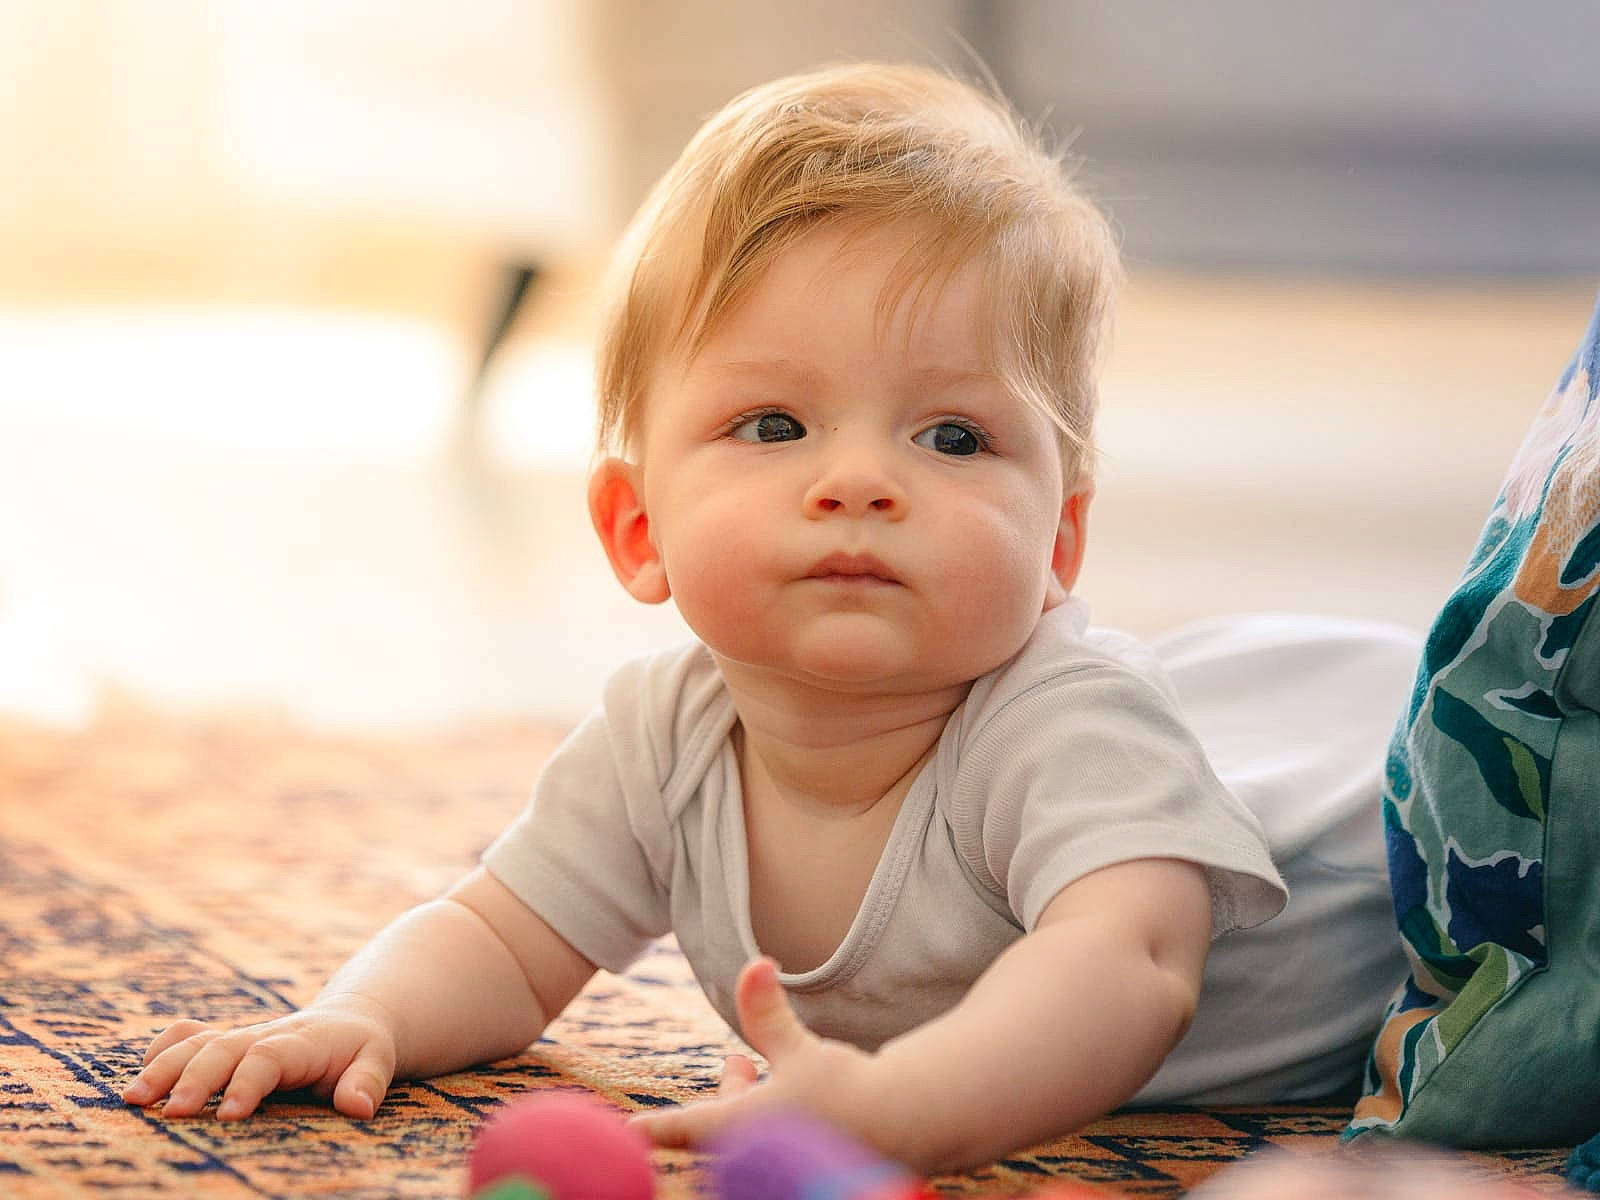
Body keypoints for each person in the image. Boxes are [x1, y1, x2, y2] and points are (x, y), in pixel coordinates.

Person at [122, 62, 1412, 1174]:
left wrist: (902, 1108)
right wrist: (365, 1016)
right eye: (774, 426)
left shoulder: (1062, 730)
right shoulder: (663, 736)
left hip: (1438, 825)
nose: (858, 480)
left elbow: (1130, 965)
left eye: (954, 436)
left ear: (1059, 539)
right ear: (638, 530)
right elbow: (503, 937)